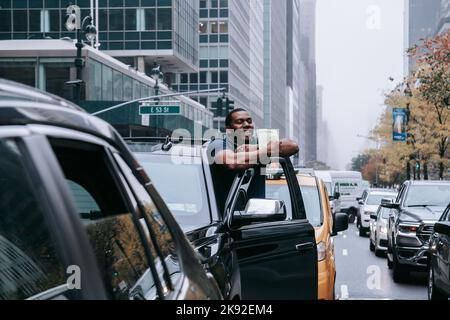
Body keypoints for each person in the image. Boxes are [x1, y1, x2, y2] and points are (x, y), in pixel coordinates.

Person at [207, 108, 299, 214]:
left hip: (254, 222)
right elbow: (232, 163)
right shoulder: (218, 144)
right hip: (223, 221)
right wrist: (266, 151)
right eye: (239, 122)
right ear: (228, 129)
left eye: (249, 121)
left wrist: (256, 148)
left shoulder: (260, 146)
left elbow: (293, 147)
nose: (247, 124)